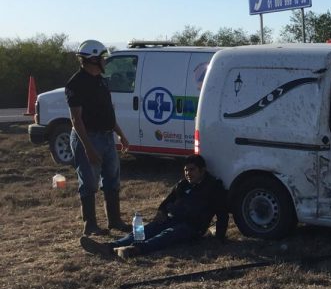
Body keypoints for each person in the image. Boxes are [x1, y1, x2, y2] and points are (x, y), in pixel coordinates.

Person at [79, 154, 228, 260]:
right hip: (173, 219)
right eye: (186, 170)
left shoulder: (213, 187)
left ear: (202, 170)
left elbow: (222, 214)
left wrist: (219, 238)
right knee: (146, 229)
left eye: (192, 169)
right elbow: (166, 202)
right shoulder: (183, 185)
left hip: (192, 227)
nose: (188, 173)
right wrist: (162, 212)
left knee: (167, 235)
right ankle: (108, 247)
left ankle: (135, 250)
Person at [66, 40, 131, 235]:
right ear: (92, 59)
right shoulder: (75, 84)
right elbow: (76, 120)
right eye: (102, 58)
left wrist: (121, 134)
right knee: (89, 183)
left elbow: (108, 112)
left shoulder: (102, 81)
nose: (105, 62)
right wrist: (88, 148)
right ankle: (90, 225)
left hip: (106, 137)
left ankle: (115, 221)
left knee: (112, 179)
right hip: (88, 138)